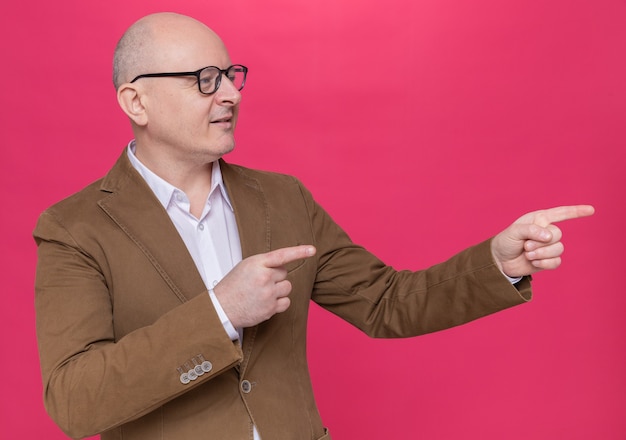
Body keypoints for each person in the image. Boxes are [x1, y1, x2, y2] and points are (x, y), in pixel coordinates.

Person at [33, 12, 594, 440]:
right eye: (204, 79)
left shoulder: (282, 198)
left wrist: (496, 262)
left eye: (230, 75)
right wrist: (221, 312)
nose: (230, 92)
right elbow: (76, 400)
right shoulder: (75, 228)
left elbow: (385, 302)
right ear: (136, 100)